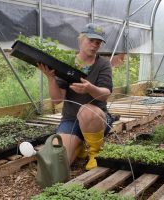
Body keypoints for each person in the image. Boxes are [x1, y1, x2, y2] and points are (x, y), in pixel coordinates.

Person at [37, 23, 113, 170]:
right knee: (56, 164)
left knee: (87, 110)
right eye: (91, 40)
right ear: (81, 39)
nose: (94, 45)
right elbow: (57, 100)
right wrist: (51, 79)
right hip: (71, 119)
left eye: (98, 42)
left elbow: (105, 94)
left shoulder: (103, 64)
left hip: (97, 118)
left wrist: (89, 88)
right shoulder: (68, 63)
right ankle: (79, 145)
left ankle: (95, 152)